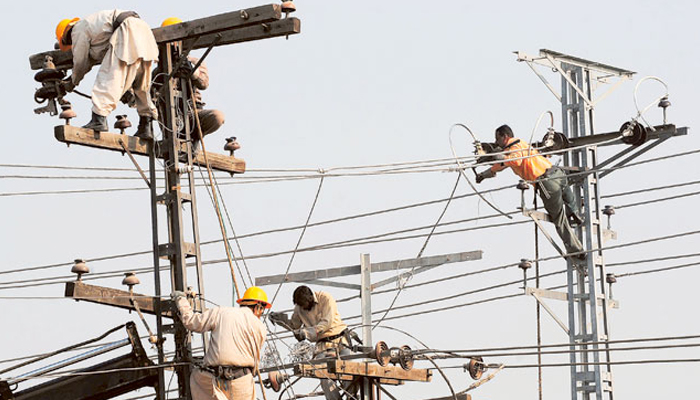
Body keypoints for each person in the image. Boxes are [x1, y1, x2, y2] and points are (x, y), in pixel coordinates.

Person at [475, 124, 586, 260]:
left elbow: (514, 160)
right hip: (557, 173)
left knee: (559, 219)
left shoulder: (514, 149)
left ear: (505, 137)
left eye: (498, 139)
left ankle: (577, 251)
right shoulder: (522, 144)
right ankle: (574, 212)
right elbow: (500, 166)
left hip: (546, 182)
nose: (497, 142)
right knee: (567, 194)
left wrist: (498, 156)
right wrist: (483, 175)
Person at [55, 10, 158, 138]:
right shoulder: (94, 27)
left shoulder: (77, 29)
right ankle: (146, 125)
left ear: (66, 36)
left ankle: (99, 118)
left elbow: (81, 62)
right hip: (143, 30)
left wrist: (71, 83)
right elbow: (88, 62)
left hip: (128, 28)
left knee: (108, 78)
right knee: (141, 85)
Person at [173, 286, 270, 400]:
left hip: (216, 379)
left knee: (196, 376)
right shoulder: (260, 327)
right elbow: (254, 359)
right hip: (242, 381)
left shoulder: (220, 312)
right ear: (258, 307)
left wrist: (181, 300)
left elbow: (192, 322)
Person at [151, 17, 226, 152]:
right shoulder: (158, 70)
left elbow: (204, 83)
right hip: (171, 117)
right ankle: (177, 139)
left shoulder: (194, 61)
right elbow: (151, 97)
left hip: (193, 112)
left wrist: (192, 72)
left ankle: (195, 137)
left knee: (217, 117)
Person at [269, 285, 357, 400]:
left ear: (310, 299)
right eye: (300, 306)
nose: (303, 308)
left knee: (348, 371)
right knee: (324, 377)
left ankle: (352, 398)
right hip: (322, 346)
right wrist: (281, 320)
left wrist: (306, 332)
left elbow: (326, 323)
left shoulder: (325, 299)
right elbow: (294, 325)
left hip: (340, 340)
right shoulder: (299, 308)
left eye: (304, 305)